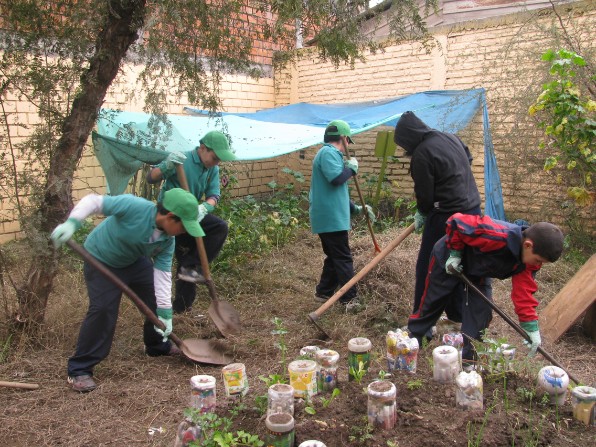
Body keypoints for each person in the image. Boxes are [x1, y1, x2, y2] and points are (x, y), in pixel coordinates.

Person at [50, 188, 204, 392]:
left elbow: (163, 275)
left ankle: (157, 346)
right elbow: (93, 201)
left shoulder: (168, 240)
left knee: (156, 301)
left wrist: (165, 313)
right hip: (100, 258)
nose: (185, 231)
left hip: (132, 261)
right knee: (103, 309)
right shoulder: (135, 206)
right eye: (184, 226)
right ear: (169, 217)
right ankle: (80, 369)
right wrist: (72, 222)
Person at [407, 213, 564, 366]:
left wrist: (530, 326)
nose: (538, 264)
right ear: (528, 245)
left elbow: (524, 293)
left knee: (481, 313)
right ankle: (414, 341)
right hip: (448, 257)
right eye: (538, 260)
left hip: (478, 270)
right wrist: (455, 253)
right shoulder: (495, 233)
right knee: (433, 301)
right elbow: (457, 222)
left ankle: (468, 361)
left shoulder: (530, 262)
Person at [394, 111, 482, 317]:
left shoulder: (422, 153)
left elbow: (425, 195)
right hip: (473, 212)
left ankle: (421, 317)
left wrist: (423, 213)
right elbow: (468, 157)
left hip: (447, 216)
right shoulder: (450, 137)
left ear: (408, 138)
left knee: (429, 265)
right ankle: (456, 315)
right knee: (458, 263)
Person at [147, 130, 236, 314]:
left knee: (218, 228)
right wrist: (166, 166)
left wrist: (204, 208)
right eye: (215, 157)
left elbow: (214, 195)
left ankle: (188, 273)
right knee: (176, 254)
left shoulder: (212, 169)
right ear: (203, 148)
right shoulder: (182, 160)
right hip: (170, 214)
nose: (217, 162)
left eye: (220, 160)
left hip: (191, 213)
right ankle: (167, 304)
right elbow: (151, 177)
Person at [309, 119, 375, 309]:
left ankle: (324, 292)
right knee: (343, 257)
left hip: (330, 216)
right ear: (344, 138)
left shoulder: (332, 155)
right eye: (348, 140)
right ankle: (350, 298)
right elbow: (337, 180)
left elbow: (335, 193)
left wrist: (356, 208)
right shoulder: (328, 153)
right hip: (330, 219)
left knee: (334, 255)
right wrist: (351, 169)